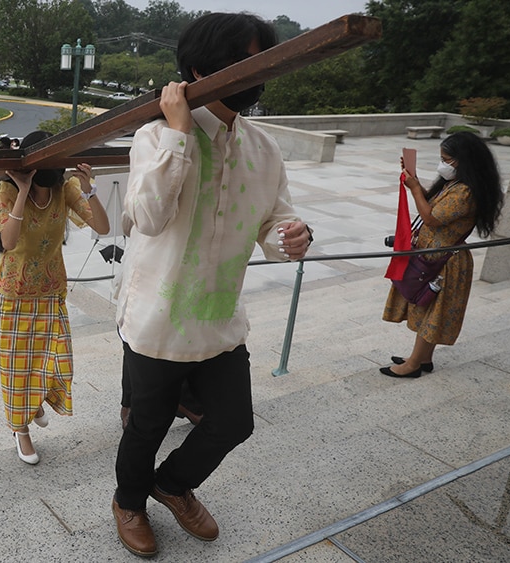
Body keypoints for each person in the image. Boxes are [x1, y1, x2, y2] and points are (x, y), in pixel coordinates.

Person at [111, 13, 313, 557]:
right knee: (146, 425)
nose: (252, 75)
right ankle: (129, 501)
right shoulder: (155, 135)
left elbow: (275, 218)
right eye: (239, 62)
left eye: (257, 62)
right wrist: (179, 134)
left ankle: (171, 484)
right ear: (200, 69)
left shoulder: (263, 148)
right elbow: (148, 217)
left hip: (219, 316)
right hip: (156, 315)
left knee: (234, 420)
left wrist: (290, 235)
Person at [0, 130, 110, 466]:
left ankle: (36, 400)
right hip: (14, 296)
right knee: (16, 370)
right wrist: (23, 189)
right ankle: (21, 429)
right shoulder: (5, 192)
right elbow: (8, 242)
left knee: (57, 361)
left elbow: (102, 226)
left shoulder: (64, 189)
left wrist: (90, 189)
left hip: (51, 293)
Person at [381, 131, 504, 378]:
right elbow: (435, 206)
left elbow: (432, 217)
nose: (443, 164)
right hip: (434, 258)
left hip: (446, 262)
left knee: (432, 312)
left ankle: (413, 364)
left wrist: (414, 187)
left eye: (447, 160)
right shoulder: (455, 184)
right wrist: (413, 179)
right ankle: (424, 358)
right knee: (427, 308)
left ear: (464, 160)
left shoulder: (465, 192)